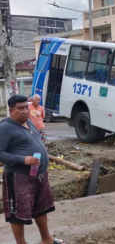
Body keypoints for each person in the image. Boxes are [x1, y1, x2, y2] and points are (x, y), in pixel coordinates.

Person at [0, 95, 65, 244]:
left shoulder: (28, 121)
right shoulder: (5, 127)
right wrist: (23, 159)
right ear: (11, 111)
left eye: (26, 107)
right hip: (18, 177)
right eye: (20, 108)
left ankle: (46, 239)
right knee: (18, 213)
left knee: (41, 207)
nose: (25, 111)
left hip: (39, 174)